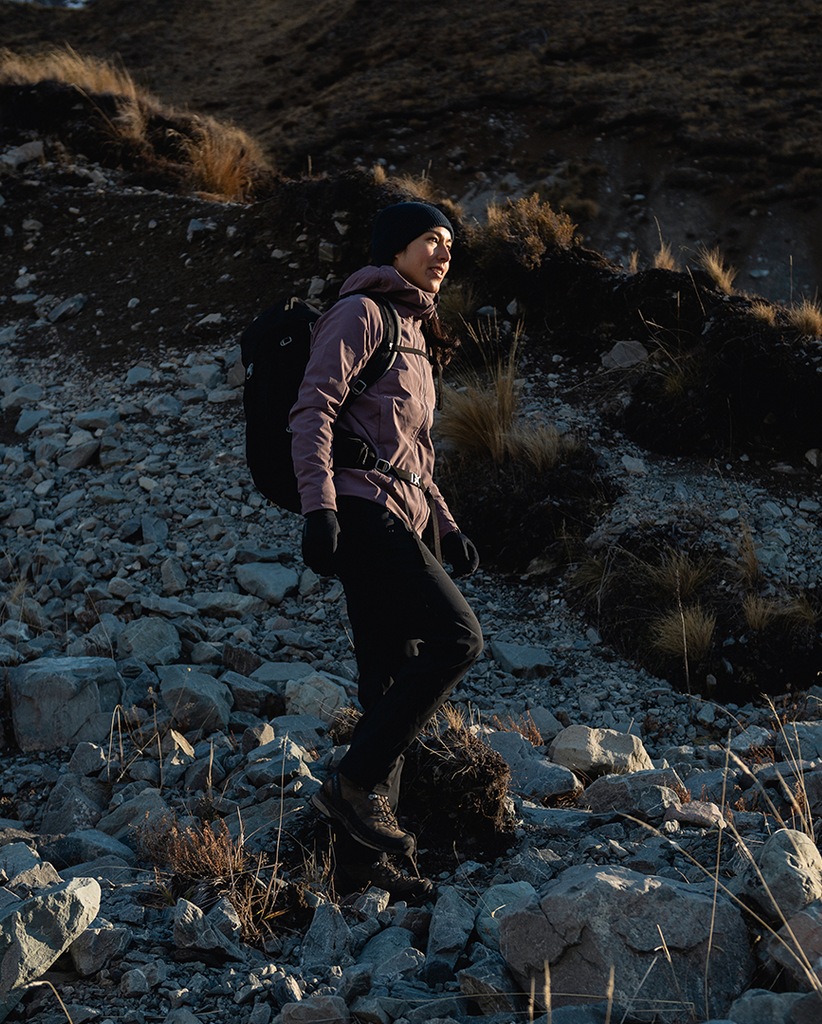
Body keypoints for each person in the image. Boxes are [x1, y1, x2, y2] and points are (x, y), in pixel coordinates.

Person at [289, 201, 484, 900]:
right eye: (432, 239)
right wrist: (320, 509)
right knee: (459, 638)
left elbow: (417, 453)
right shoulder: (362, 314)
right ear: (394, 248)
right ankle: (356, 782)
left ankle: (361, 866)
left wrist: (450, 525)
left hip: (406, 510)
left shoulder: (415, 333)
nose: (444, 253)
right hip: (363, 513)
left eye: (451, 245)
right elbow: (314, 409)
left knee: (386, 683)